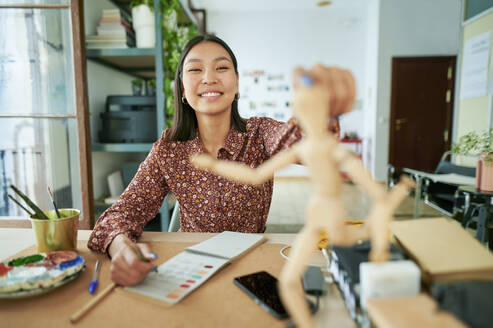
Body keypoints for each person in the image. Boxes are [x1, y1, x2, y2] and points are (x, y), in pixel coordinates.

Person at [87, 34, 355, 286]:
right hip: (189, 265)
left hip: (251, 264)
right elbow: (120, 214)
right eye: (194, 70)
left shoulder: (260, 133)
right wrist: (122, 248)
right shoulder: (168, 150)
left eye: (222, 68)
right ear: (182, 87)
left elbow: (300, 142)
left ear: (237, 83)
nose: (209, 78)